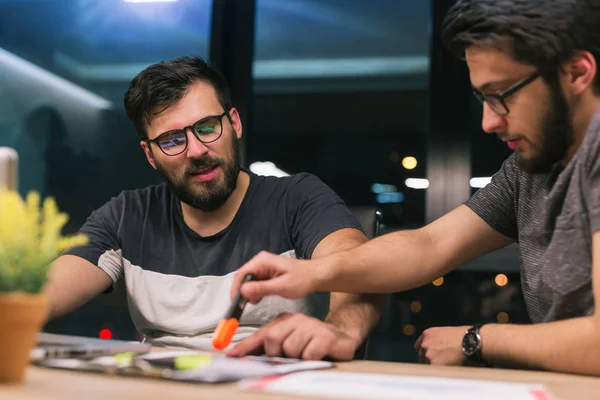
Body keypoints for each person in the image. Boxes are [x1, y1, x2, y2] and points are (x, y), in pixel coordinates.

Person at [231, 0, 600, 375]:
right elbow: (430, 245)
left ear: (576, 72)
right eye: (482, 98)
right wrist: (311, 274)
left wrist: (475, 341)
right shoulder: (531, 169)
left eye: (502, 94)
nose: (489, 121)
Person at [45, 56, 384, 360]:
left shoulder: (297, 198)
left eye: (207, 127)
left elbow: (358, 269)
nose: (195, 150)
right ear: (150, 155)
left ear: (234, 123)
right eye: (172, 140)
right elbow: (43, 293)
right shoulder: (126, 215)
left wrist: (340, 331)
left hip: (276, 385)